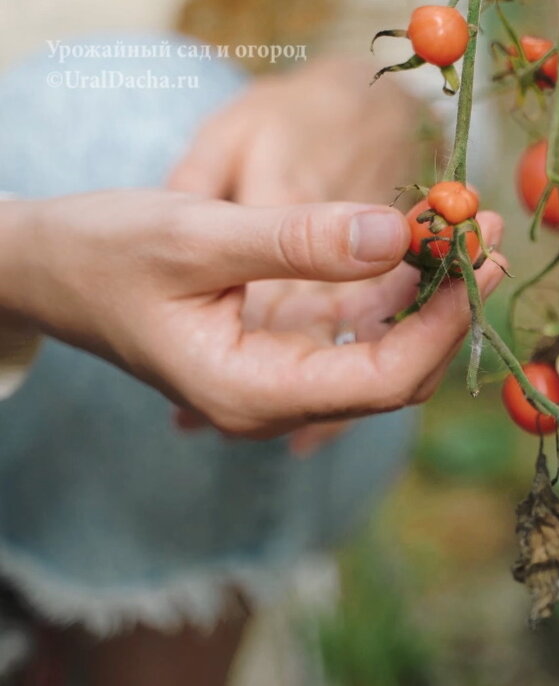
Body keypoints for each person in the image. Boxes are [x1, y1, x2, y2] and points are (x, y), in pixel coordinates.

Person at [0, 1, 496, 682]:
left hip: (264, 405)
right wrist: (22, 261)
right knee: (119, 116)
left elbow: (458, 55)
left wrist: (386, 104)